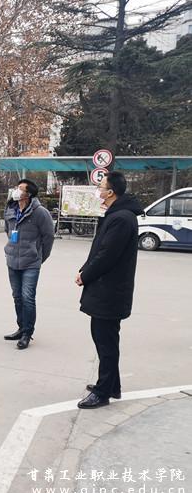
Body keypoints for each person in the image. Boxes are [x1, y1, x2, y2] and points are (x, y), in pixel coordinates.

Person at [76, 171, 142, 409]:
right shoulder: (117, 215)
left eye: (101, 187)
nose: (98, 191)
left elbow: (107, 255)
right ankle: (112, 386)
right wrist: (85, 268)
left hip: (110, 291)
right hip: (107, 289)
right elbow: (100, 250)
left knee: (105, 342)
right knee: (105, 340)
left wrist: (86, 275)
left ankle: (103, 392)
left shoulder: (121, 219)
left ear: (111, 192)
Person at [3, 179, 55, 350]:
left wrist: (39, 257)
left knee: (28, 298)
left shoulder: (40, 213)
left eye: (20, 189)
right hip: (12, 261)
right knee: (17, 297)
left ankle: (27, 333)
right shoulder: (10, 208)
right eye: (16, 187)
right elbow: (8, 230)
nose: (16, 191)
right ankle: (20, 328)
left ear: (28, 194)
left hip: (31, 263)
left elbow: (49, 237)